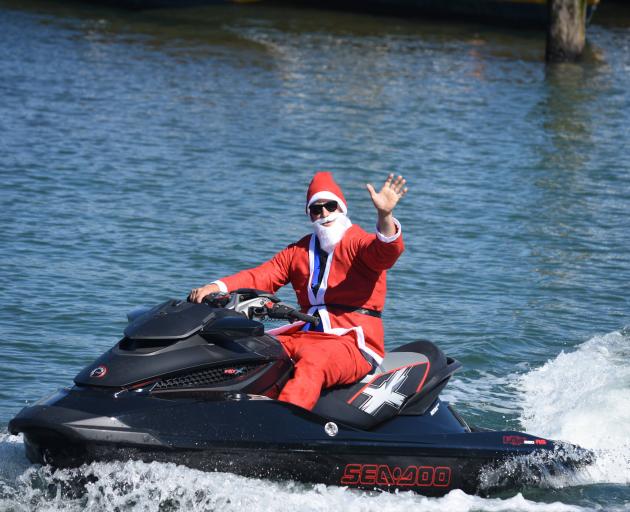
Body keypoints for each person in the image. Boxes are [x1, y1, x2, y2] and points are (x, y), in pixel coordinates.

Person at [189, 171, 407, 411]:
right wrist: (216, 287)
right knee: (250, 351)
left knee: (315, 360)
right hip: (306, 334)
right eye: (316, 209)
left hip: (352, 342)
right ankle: (220, 410)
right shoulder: (299, 251)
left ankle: (284, 423)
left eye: (330, 206)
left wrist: (385, 215)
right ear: (310, 215)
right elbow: (263, 275)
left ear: (341, 208)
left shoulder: (360, 243)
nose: (324, 214)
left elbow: (386, 252)